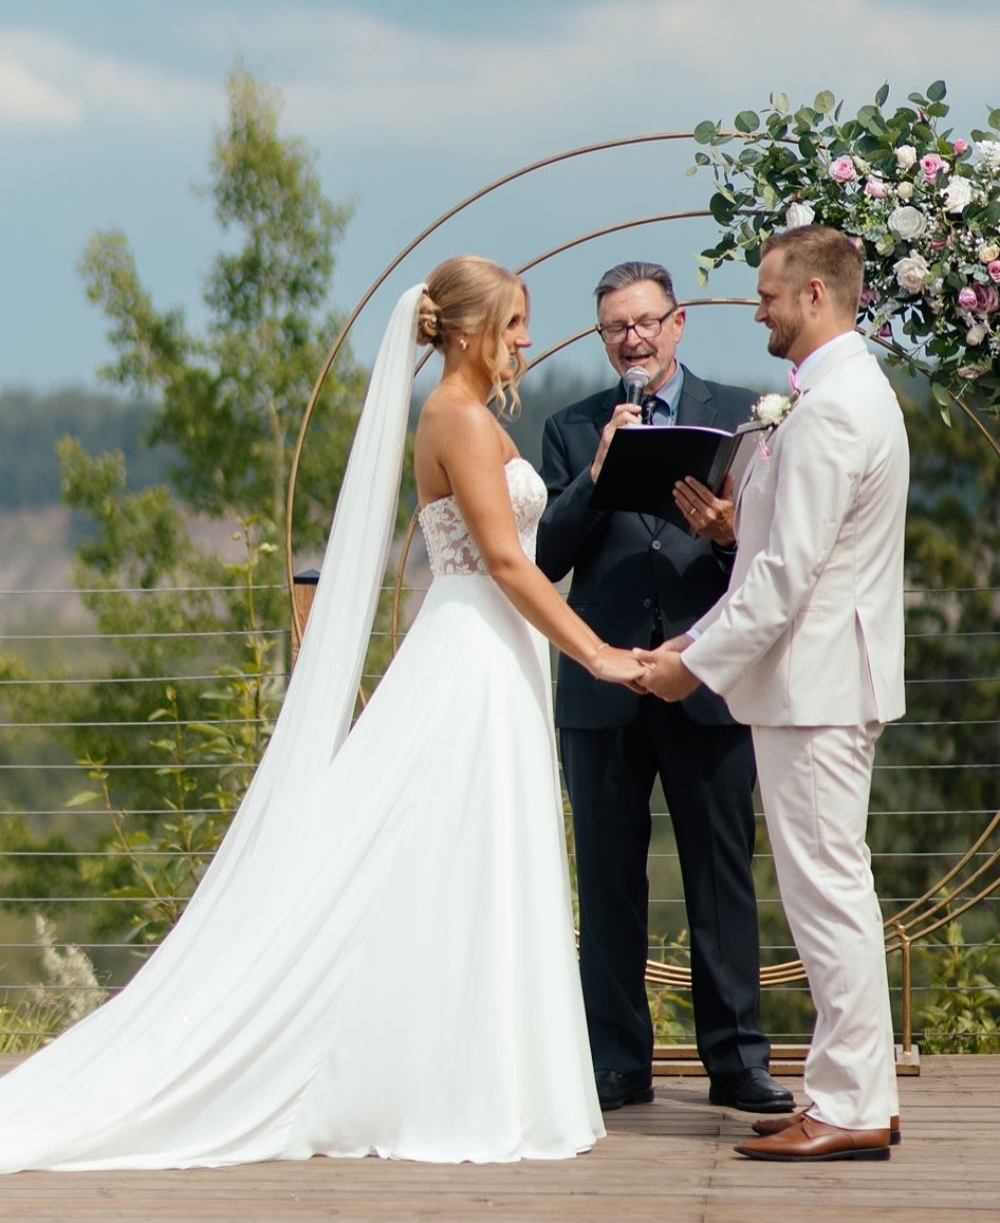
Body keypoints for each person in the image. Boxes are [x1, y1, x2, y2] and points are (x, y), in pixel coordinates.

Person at [0, 255, 649, 1172]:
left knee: (474, 858)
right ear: (465, 331)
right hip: (469, 649)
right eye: (512, 325)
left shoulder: (470, 418)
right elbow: (507, 564)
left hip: (495, 653)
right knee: (447, 850)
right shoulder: (455, 419)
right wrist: (601, 654)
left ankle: (472, 1067)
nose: (526, 342)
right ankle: (433, 1080)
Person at [637, 225, 907, 1162]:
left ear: (817, 298)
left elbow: (787, 577)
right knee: (830, 889)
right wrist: (698, 629)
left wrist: (691, 662)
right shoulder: (836, 395)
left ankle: (849, 1107)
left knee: (828, 892)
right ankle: (849, 1088)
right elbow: (773, 556)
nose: (756, 308)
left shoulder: (831, 411)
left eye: (768, 293)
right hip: (817, 679)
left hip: (820, 683)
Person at [536, 260, 793, 1116]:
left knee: (720, 876)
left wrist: (730, 533)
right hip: (603, 685)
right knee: (606, 882)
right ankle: (615, 1062)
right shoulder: (572, 426)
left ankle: (736, 1061)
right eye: (616, 328)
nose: (633, 339)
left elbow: (778, 558)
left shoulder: (741, 414)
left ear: (677, 324)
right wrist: (597, 471)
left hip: (707, 678)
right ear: (603, 337)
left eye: (646, 322)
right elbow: (544, 561)